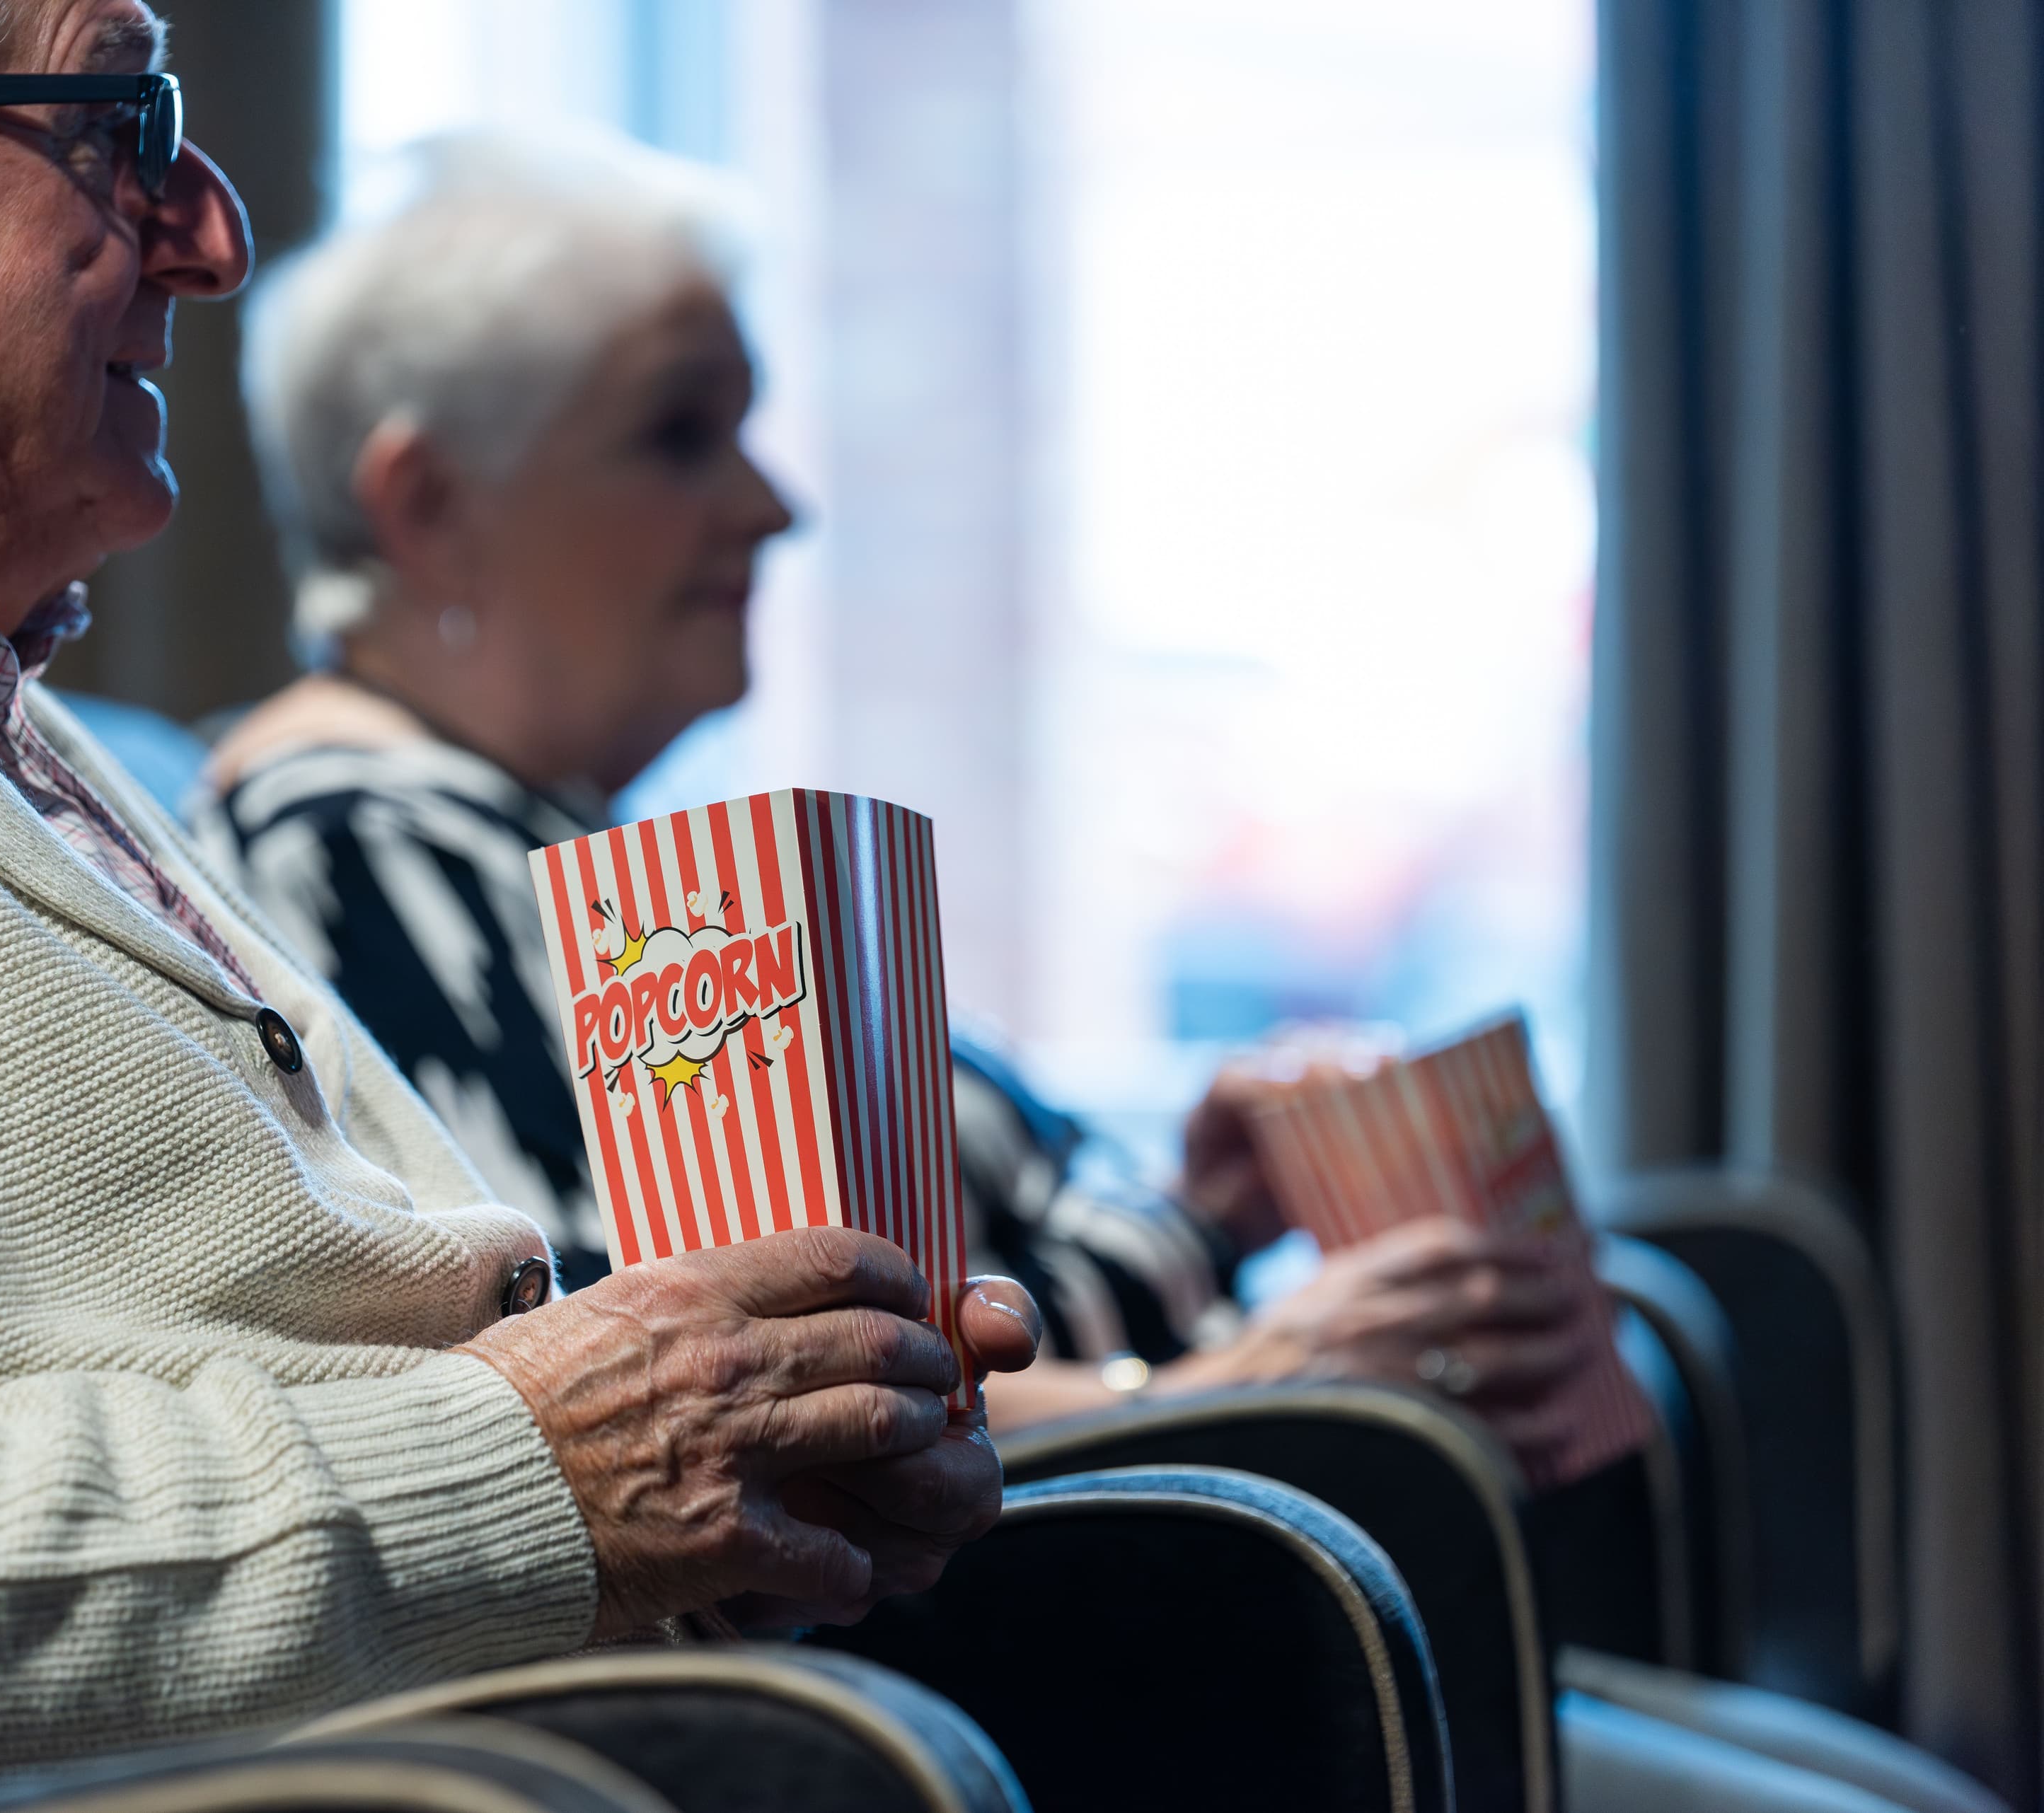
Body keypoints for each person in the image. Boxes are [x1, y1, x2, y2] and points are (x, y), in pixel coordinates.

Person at [0, 9, 1043, 1809]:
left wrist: (762, 1481)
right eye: (121, 124)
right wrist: (528, 1474)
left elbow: (416, 1448)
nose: (216, 235)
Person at [206, 132, 2004, 1813]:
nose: (774, 503)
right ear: (427, 504)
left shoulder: (565, 849)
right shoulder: (363, 858)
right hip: (1005, 1669)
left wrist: (1207, 1220)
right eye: (685, 436)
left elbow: (927, 1294)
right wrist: (1225, 1386)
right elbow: (697, 1392)